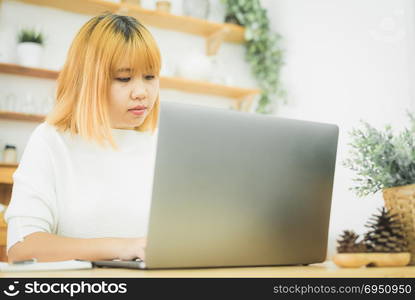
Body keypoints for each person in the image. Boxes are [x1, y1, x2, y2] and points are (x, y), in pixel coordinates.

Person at [4, 13, 161, 263]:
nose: (142, 92)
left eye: (150, 76)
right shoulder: (51, 140)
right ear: (89, 80)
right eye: (124, 78)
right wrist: (121, 247)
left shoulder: (161, 143)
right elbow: (22, 247)